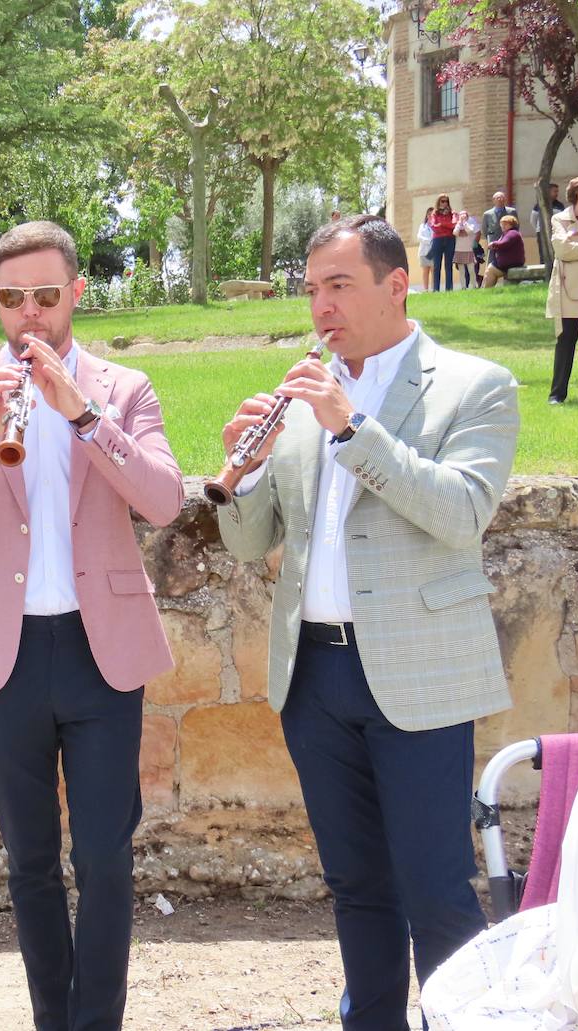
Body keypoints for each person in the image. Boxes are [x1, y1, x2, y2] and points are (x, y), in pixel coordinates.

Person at [214, 215, 519, 1031]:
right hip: (314, 678)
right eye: (312, 288)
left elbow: (460, 512)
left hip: (418, 676)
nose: (321, 305)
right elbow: (253, 544)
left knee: (436, 887)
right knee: (356, 886)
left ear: (397, 284)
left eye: (339, 285)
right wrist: (240, 470)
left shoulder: (474, 384)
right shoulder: (303, 391)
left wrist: (351, 426)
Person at [0, 220, 183, 1031]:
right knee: (30, 861)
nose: (31, 314)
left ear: (77, 295)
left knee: (103, 853)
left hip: (101, 652)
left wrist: (86, 415)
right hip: (4, 655)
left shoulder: (125, 388)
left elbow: (164, 501)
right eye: (13, 298)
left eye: (47, 296)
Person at [548, 177, 578, 405]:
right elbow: (562, 249)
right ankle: (557, 395)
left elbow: (573, 247)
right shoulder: (560, 218)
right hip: (569, 288)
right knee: (566, 341)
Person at [481, 214, 525, 287]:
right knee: (490, 268)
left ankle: (487, 290)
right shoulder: (507, 233)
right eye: (502, 224)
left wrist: (493, 244)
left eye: (506, 224)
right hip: (507, 263)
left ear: (512, 224)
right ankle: (488, 289)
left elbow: (504, 243)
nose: (503, 226)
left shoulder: (513, 233)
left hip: (511, 263)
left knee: (490, 270)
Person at [427, 194, 456, 291]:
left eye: (446, 201)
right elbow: (434, 227)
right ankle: (436, 289)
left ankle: (449, 289)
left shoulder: (452, 213)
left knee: (448, 265)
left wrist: (442, 224)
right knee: (436, 266)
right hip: (438, 240)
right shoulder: (434, 214)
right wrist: (446, 226)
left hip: (450, 240)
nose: (444, 203)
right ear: (438, 202)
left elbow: (454, 225)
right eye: (442, 201)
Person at [452, 210, 478, 289]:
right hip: (459, 251)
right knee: (461, 272)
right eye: (461, 216)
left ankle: (474, 285)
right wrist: (459, 224)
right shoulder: (457, 225)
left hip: (468, 251)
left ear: (467, 217)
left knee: (471, 271)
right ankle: (463, 287)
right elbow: (455, 233)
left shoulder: (471, 224)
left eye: (465, 216)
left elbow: (470, 231)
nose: (463, 217)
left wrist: (465, 223)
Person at [416, 207, 435, 292]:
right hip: (424, 252)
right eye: (429, 214)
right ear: (426, 215)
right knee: (425, 272)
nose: (430, 216)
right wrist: (428, 240)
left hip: (433, 252)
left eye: (432, 214)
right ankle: (426, 289)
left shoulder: (436, 226)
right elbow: (419, 237)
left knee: (434, 271)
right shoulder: (422, 226)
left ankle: (434, 289)